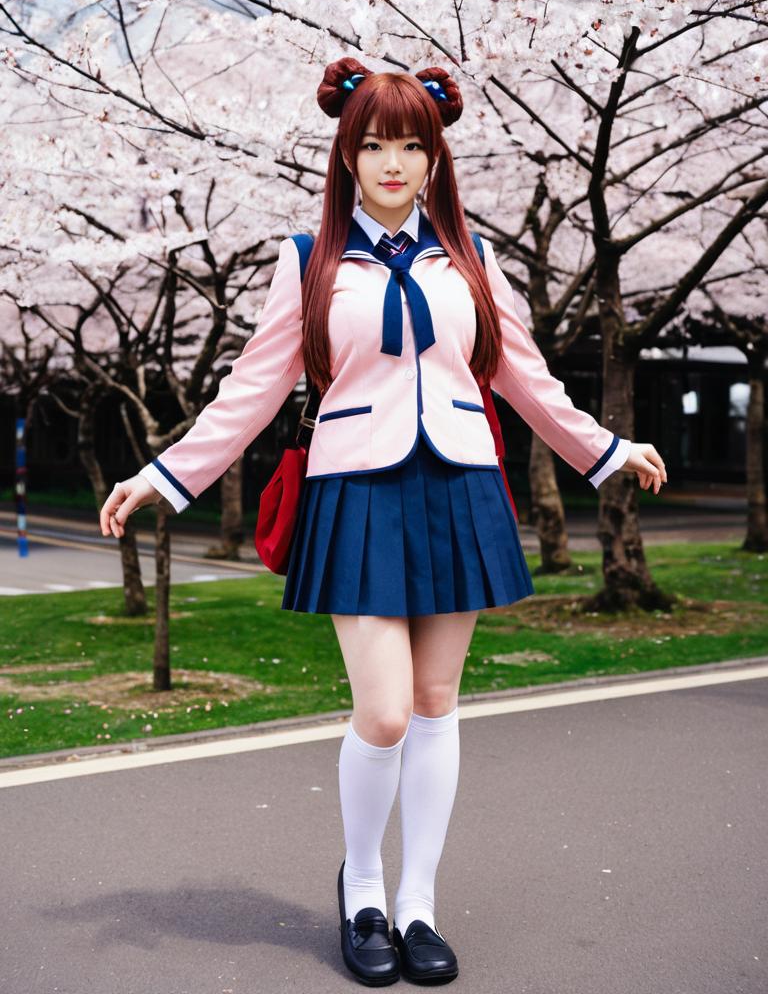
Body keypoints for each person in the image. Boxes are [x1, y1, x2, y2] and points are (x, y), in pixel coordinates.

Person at [99, 56, 667, 987]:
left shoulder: (473, 259)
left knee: (438, 703)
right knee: (386, 711)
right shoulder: (309, 260)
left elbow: (525, 378)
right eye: (373, 145)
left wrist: (606, 448)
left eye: (410, 145)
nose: (393, 163)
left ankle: (418, 905)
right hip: (356, 489)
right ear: (346, 156)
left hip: (459, 485)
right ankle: (362, 888)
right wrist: (165, 474)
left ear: (435, 157)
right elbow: (251, 391)